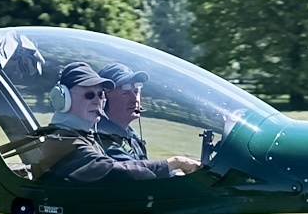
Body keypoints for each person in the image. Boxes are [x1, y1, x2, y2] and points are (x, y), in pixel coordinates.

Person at [32, 62, 192, 183]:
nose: (97, 101)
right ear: (63, 99)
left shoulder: (82, 136)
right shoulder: (64, 141)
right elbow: (113, 171)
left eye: (100, 94)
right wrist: (175, 163)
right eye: (89, 95)